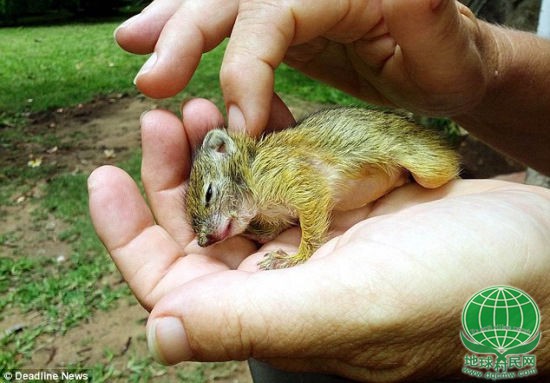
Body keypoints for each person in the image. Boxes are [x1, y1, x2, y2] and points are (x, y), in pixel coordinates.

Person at [88, 0, 550, 381]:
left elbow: (309, 193)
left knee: (431, 170)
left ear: (229, 156)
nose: (209, 234)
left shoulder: (267, 171)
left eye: (210, 203)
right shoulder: (259, 208)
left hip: (390, 152)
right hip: (391, 177)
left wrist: (304, 251)